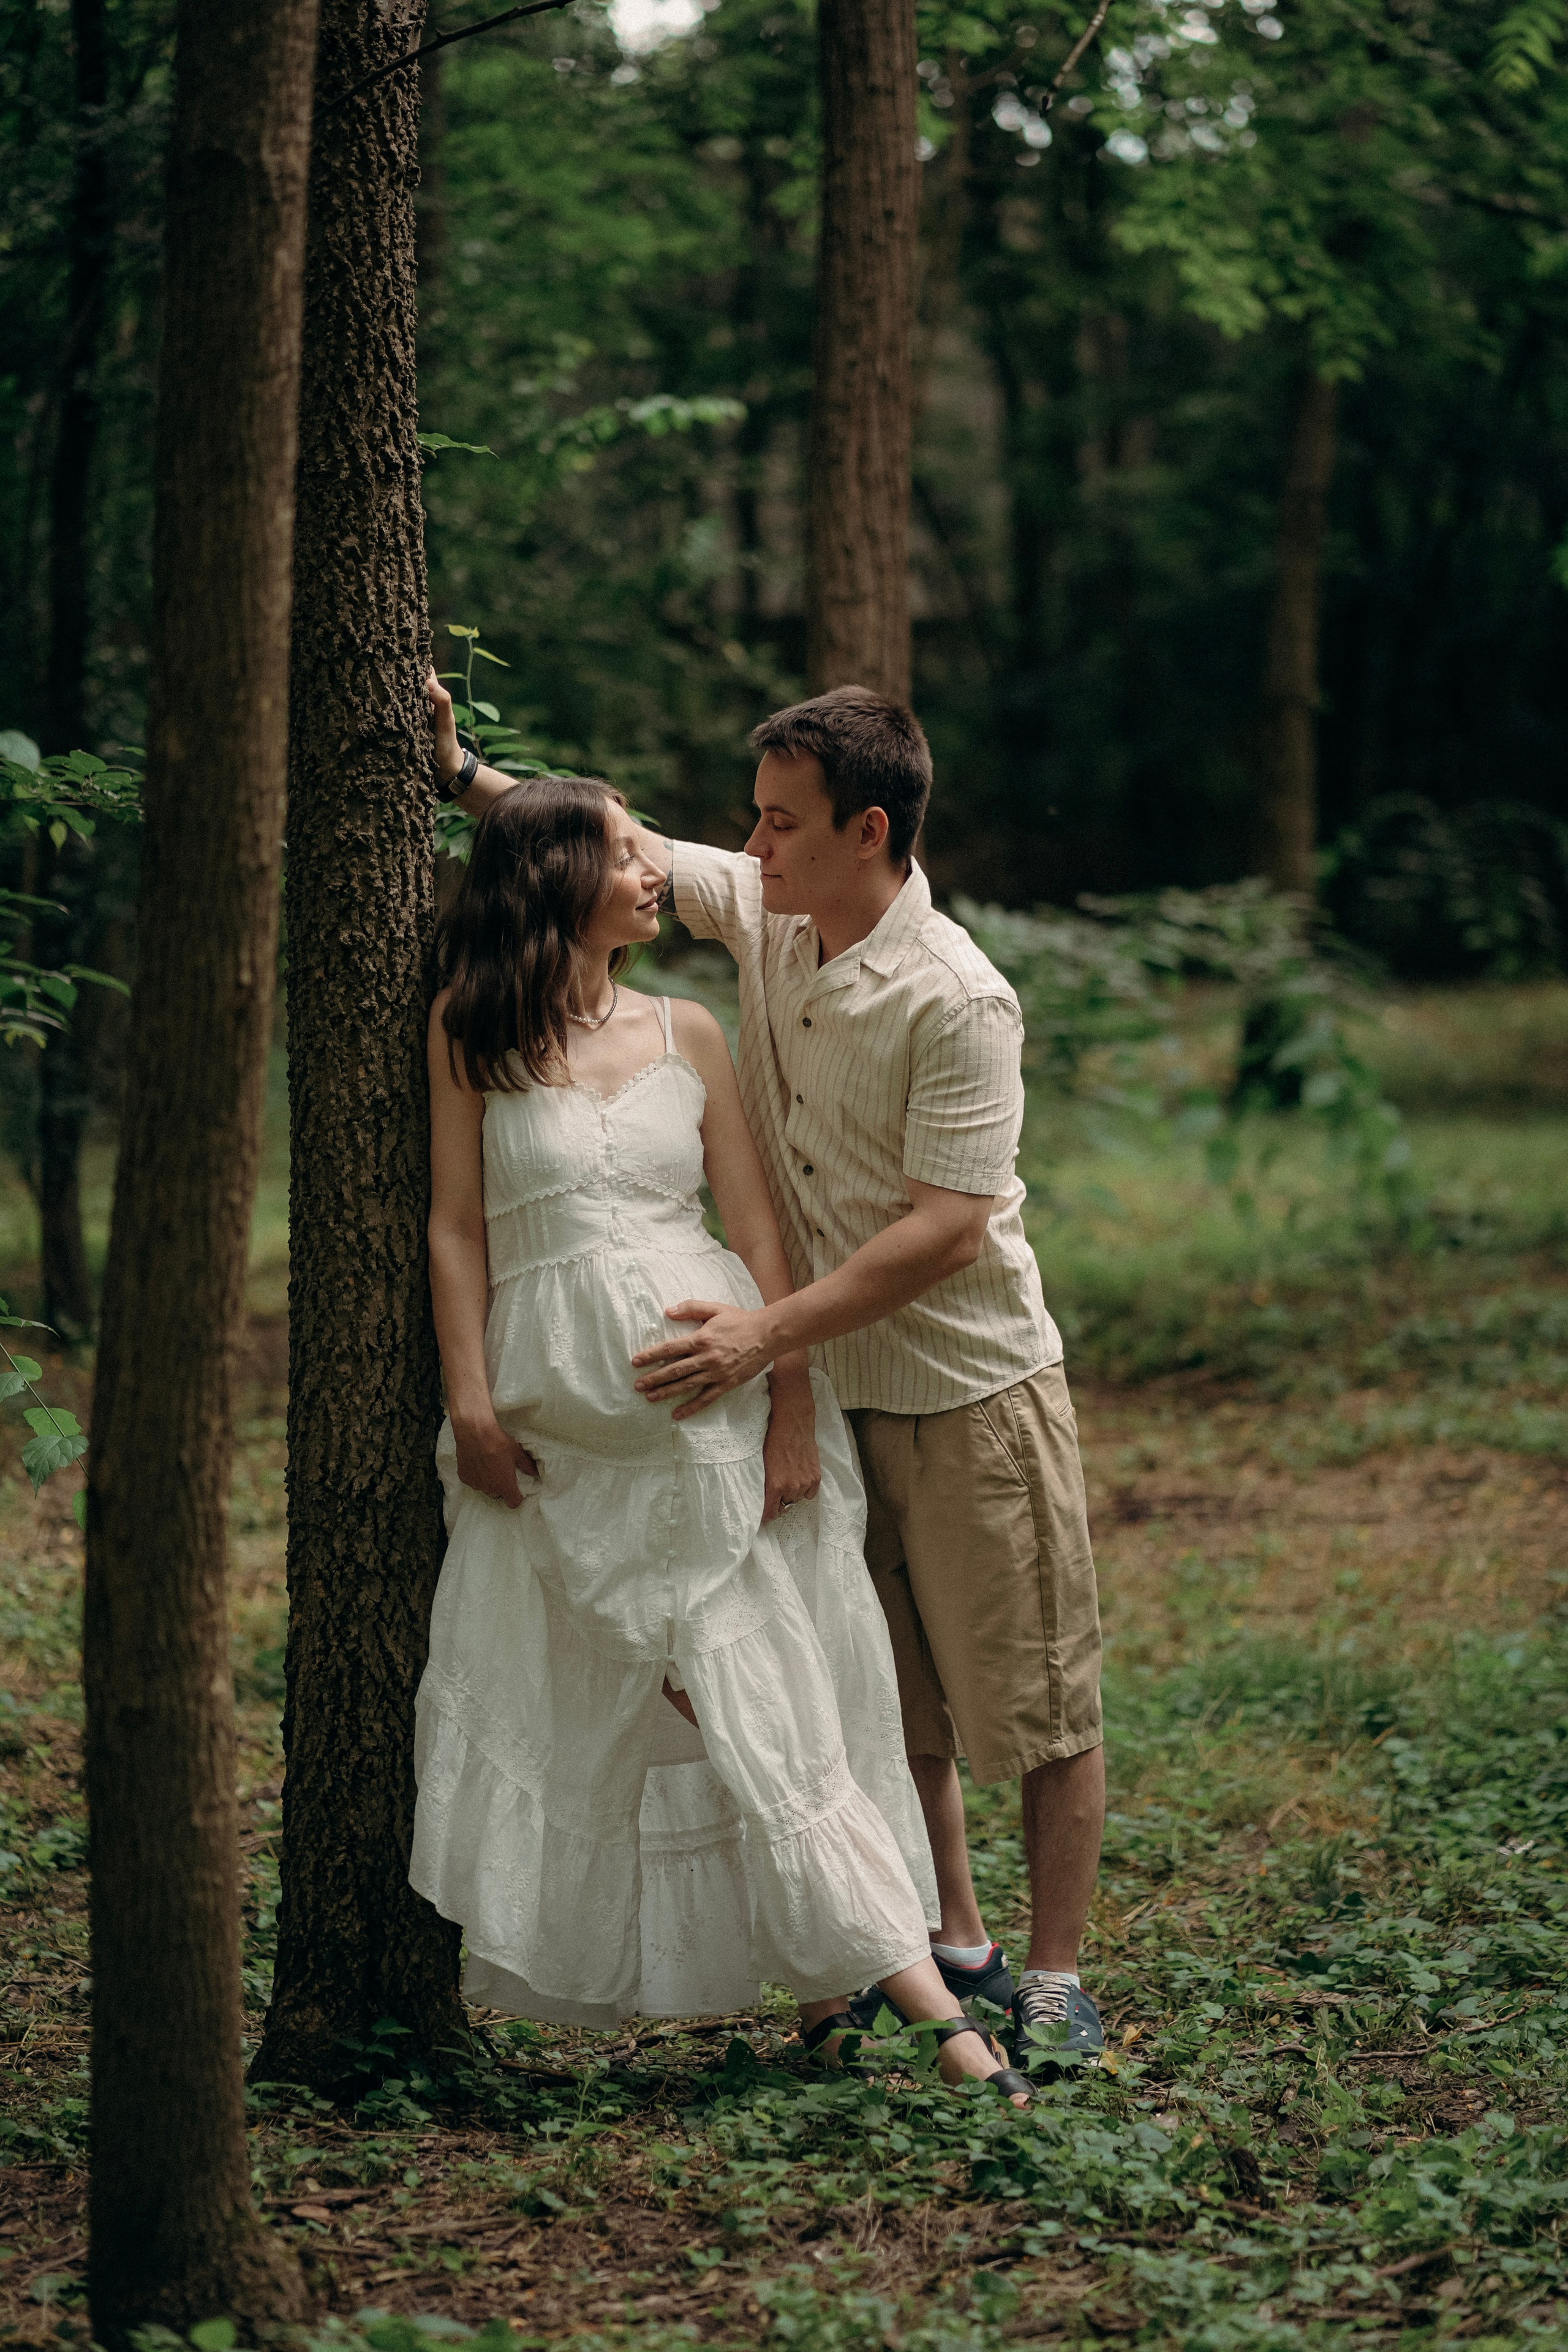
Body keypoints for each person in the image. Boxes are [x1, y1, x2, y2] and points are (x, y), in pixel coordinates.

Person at [428, 676, 1107, 2073]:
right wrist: (460, 772)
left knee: (1028, 1694)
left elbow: (942, 1229)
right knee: (885, 1681)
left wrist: (766, 1346)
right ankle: (946, 1940)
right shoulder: (767, 911)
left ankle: (1050, 1977)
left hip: (962, 1374)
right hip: (811, 1361)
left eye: (776, 823)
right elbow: (599, 855)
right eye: (749, 822)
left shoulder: (956, 998)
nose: (741, 850)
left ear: (865, 831)